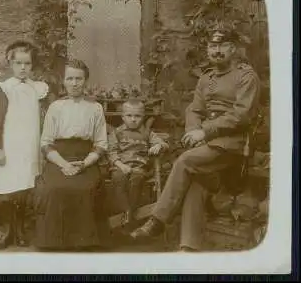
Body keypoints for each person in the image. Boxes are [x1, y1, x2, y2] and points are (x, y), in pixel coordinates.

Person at [129, 23, 261, 252]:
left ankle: (158, 221)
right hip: (207, 145)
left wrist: (205, 131)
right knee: (195, 184)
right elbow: (194, 109)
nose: (216, 51)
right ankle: (189, 246)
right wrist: (194, 131)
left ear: (233, 49)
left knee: (185, 161)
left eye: (223, 45)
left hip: (233, 145)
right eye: (212, 46)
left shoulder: (245, 76)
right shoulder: (206, 78)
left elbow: (242, 115)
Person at [34, 59, 111, 250]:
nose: (74, 83)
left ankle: (84, 242)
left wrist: (84, 163)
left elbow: (101, 144)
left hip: (86, 159)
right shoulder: (56, 107)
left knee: (85, 189)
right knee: (54, 188)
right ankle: (53, 242)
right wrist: (64, 165)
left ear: (85, 81)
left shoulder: (95, 108)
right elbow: (45, 144)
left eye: (79, 78)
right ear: (64, 81)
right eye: (70, 78)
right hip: (58, 158)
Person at [0, 40, 49, 250]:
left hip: (28, 147)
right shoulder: (5, 89)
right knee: (6, 193)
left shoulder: (37, 89)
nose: (23, 68)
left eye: (27, 64)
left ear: (33, 66)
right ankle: (8, 231)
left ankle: (21, 230)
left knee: (23, 191)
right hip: (8, 147)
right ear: (10, 64)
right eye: (18, 63)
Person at [108, 99, 169, 227]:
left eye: (137, 116)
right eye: (129, 116)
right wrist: (121, 165)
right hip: (120, 166)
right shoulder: (117, 133)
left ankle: (130, 212)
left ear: (143, 117)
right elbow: (111, 152)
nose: (133, 119)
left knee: (136, 181)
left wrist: (159, 145)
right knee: (118, 180)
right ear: (123, 117)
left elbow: (164, 144)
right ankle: (126, 210)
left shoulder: (147, 133)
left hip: (139, 168)